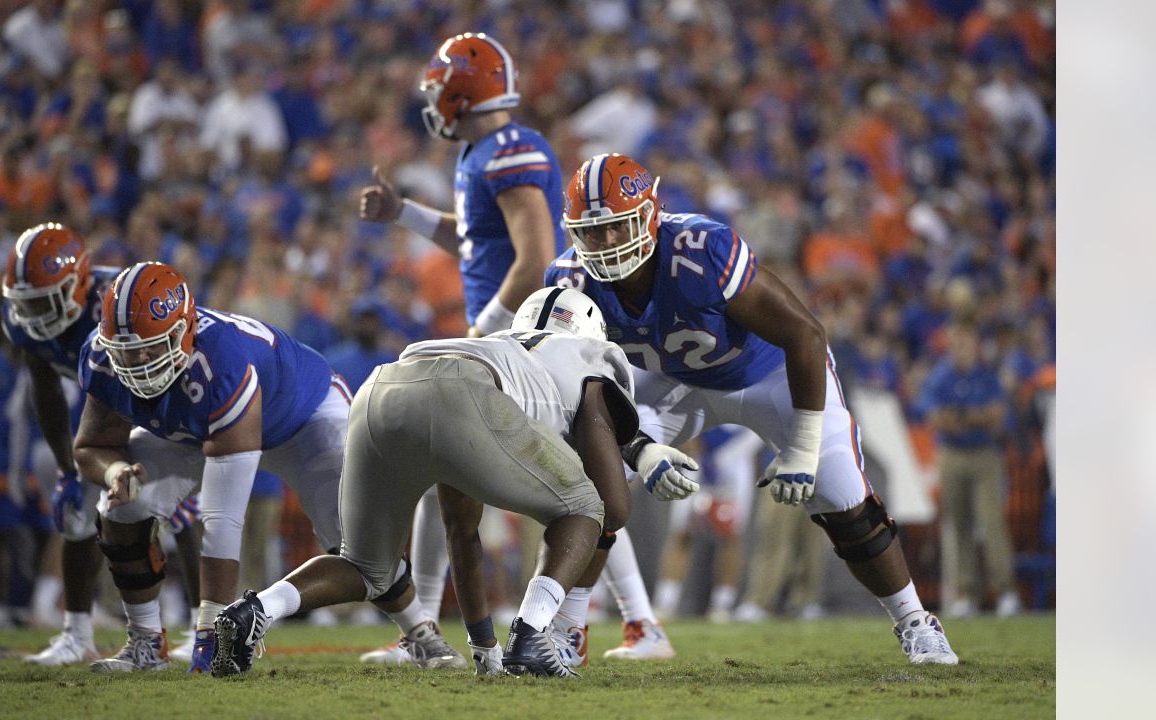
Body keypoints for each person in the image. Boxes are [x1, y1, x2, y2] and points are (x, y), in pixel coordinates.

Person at [546, 153, 959, 665]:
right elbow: (584, 393)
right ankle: (567, 629)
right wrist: (639, 447)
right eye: (593, 231)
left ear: (650, 216)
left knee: (844, 500)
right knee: (590, 484)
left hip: (770, 374)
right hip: (673, 384)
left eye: (618, 227)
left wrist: (804, 447)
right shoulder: (568, 282)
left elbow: (804, 333)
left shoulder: (701, 249)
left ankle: (916, 621)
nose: (606, 244)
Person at [358, 31, 671, 664]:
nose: (435, 101)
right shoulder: (483, 152)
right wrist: (404, 214)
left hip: (524, 336)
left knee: (581, 483)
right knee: (560, 479)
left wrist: (485, 337)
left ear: (460, 92)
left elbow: (532, 263)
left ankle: (633, 622)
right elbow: (474, 241)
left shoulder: (509, 149)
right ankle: (630, 621)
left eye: (443, 89)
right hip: (512, 335)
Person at [211, 288, 641, 679]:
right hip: (463, 393)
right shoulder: (592, 356)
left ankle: (253, 610)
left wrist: (483, 647)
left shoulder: (497, 346)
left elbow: (461, 530)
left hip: (382, 388)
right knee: (586, 506)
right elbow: (613, 508)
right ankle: (531, 633)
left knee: (367, 568)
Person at [73, 262, 449, 672]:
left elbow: (222, 520)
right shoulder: (102, 358)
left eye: (151, 345)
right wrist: (114, 474)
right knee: (123, 506)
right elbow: (92, 446)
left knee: (362, 551)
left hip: (304, 416)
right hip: (198, 428)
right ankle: (145, 644)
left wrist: (208, 637)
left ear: (185, 331)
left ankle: (421, 634)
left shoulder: (221, 361)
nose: (138, 360)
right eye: (126, 348)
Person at [0, 223, 202, 666]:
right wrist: (65, 468)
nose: (34, 314)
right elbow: (46, 391)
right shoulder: (22, 321)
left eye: (44, 300)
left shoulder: (119, 303)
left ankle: (203, 628)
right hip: (103, 413)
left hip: (158, 404)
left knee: (188, 514)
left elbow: (174, 359)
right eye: (26, 302)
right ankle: (76, 634)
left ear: (78, 284)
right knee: (80, 514)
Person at [920, 320, 1021, 618]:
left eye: (968, 344)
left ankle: (1005, 592)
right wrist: (977, 417)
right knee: (959, 524)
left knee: (992, 522)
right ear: (951, 347)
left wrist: (962, 418)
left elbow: (999, 416)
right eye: (959, 344)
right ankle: (966, 593)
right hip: (952, 454)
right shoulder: (940, 377)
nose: (964, 350)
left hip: (984, 454)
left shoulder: (986, 376)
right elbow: (934, 417)